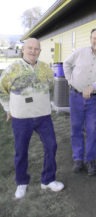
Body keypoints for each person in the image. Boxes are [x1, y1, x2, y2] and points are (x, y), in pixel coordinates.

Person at [0, 38, 64, 199]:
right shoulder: (12, 69)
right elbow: (2, 90)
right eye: (30, 48)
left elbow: (49, 87)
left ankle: (48, 180)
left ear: (40, 51)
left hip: (43, 116)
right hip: (21, 118)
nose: (33, 51)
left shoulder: (46, 69)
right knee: (21, 151)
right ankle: (22, 182)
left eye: (36, 49)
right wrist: (8, 109)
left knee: (51, 146)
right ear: (23, 49)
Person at [63, 28, 96, 176]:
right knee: (76, 128)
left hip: (94, 99)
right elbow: (66, 64)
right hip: (76, 96)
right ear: (90, 38)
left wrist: (93, 86)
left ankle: (90, 160)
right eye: (94, 38)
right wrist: (69, 80)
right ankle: (78, 159)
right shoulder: (80, 53)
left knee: (93, 130)